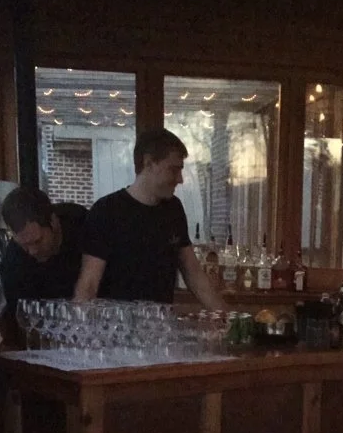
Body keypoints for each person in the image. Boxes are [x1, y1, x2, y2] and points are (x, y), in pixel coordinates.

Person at [74, 127, 228, 310]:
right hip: (118, 332)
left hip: (161, 330)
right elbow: (89, 284)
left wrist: (228, 318)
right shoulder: (106, 211)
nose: (180, 179)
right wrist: (83, 331)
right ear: (148, 163)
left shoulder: (173, 209)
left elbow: (192, 272)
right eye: (173, 170)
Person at [0, 185, 87, 320]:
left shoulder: (83, 226)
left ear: (54, 221)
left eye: (37, 241)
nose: (32, 251)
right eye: (24, 245)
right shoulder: (13, 262)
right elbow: (19, 316)